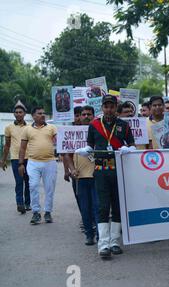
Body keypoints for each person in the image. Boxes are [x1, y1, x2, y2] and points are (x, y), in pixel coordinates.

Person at [75, 94, 136, 258]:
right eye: (106, 106)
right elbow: (90, 146)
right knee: (103, 207)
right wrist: (87, 152)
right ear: (102, 108)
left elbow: (132, 146)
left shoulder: (124, 125)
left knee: (117, 206)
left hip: (118, 170)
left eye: (112, 106)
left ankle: (115, 242)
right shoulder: (94, 125)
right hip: (101, 171)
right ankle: (103, 245)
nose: (109, 109)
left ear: (116, 107)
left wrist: (128, 150)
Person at [64, 106, 99, 246]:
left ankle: (100, 234)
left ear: (93, 115)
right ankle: (89, 235)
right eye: (83, 114)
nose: (85, 116)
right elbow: (67, 153)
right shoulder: (73, 133)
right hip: (80, 178)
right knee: (84, 208)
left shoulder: (99, 131)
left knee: (97, 207)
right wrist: (71, 169)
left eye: (88, 114)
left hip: (96, 175)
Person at [18, 106, 58, 225]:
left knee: (49, 189)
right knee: (33, 186)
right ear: (33, 116)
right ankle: (36, 212)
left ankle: (47, 212)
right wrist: (20, 163)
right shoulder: (27, 129)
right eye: (39, 113)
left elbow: (59, 141)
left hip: (50, 162)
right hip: (33, 162)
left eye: (43, 113)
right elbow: (22, 147)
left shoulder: (52, 128)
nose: (42, 115)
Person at [0, 101, 31, 214]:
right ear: (13, 114)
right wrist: (3, 160)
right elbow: (7, 145)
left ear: (24, 114)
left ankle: (28, 203)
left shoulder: (30, 127)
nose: (18, 114)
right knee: (19, 182)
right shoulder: (9, 128)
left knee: (28, 182)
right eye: (16, 112)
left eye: (20, 112)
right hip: (15, 159)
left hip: (29, 158)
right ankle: (20, 204)